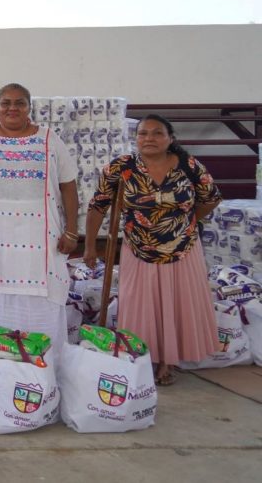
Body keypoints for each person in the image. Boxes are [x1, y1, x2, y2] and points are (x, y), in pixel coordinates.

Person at [84, 114, 221, 385]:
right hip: (139, 248)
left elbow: (210, 198)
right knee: (141, 304)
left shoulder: (189, 165)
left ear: (170, 138)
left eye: (157, 133)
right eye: (143, 133)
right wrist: (89, 246)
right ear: (136, 138)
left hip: (183, 248)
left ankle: (168, 362)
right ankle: (143, 356)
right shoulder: (122, 167)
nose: (149, 139)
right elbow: (98, 205)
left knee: (176, 302)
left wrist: (185, 222)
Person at [0, 82, 79, 363]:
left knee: (43, 294)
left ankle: (44, 362)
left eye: (19, 103)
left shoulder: (49, 139)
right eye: (6, 103)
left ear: (29, 107)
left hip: (42, 237)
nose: (12, 108)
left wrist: (72, 229)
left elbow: (69, 185)